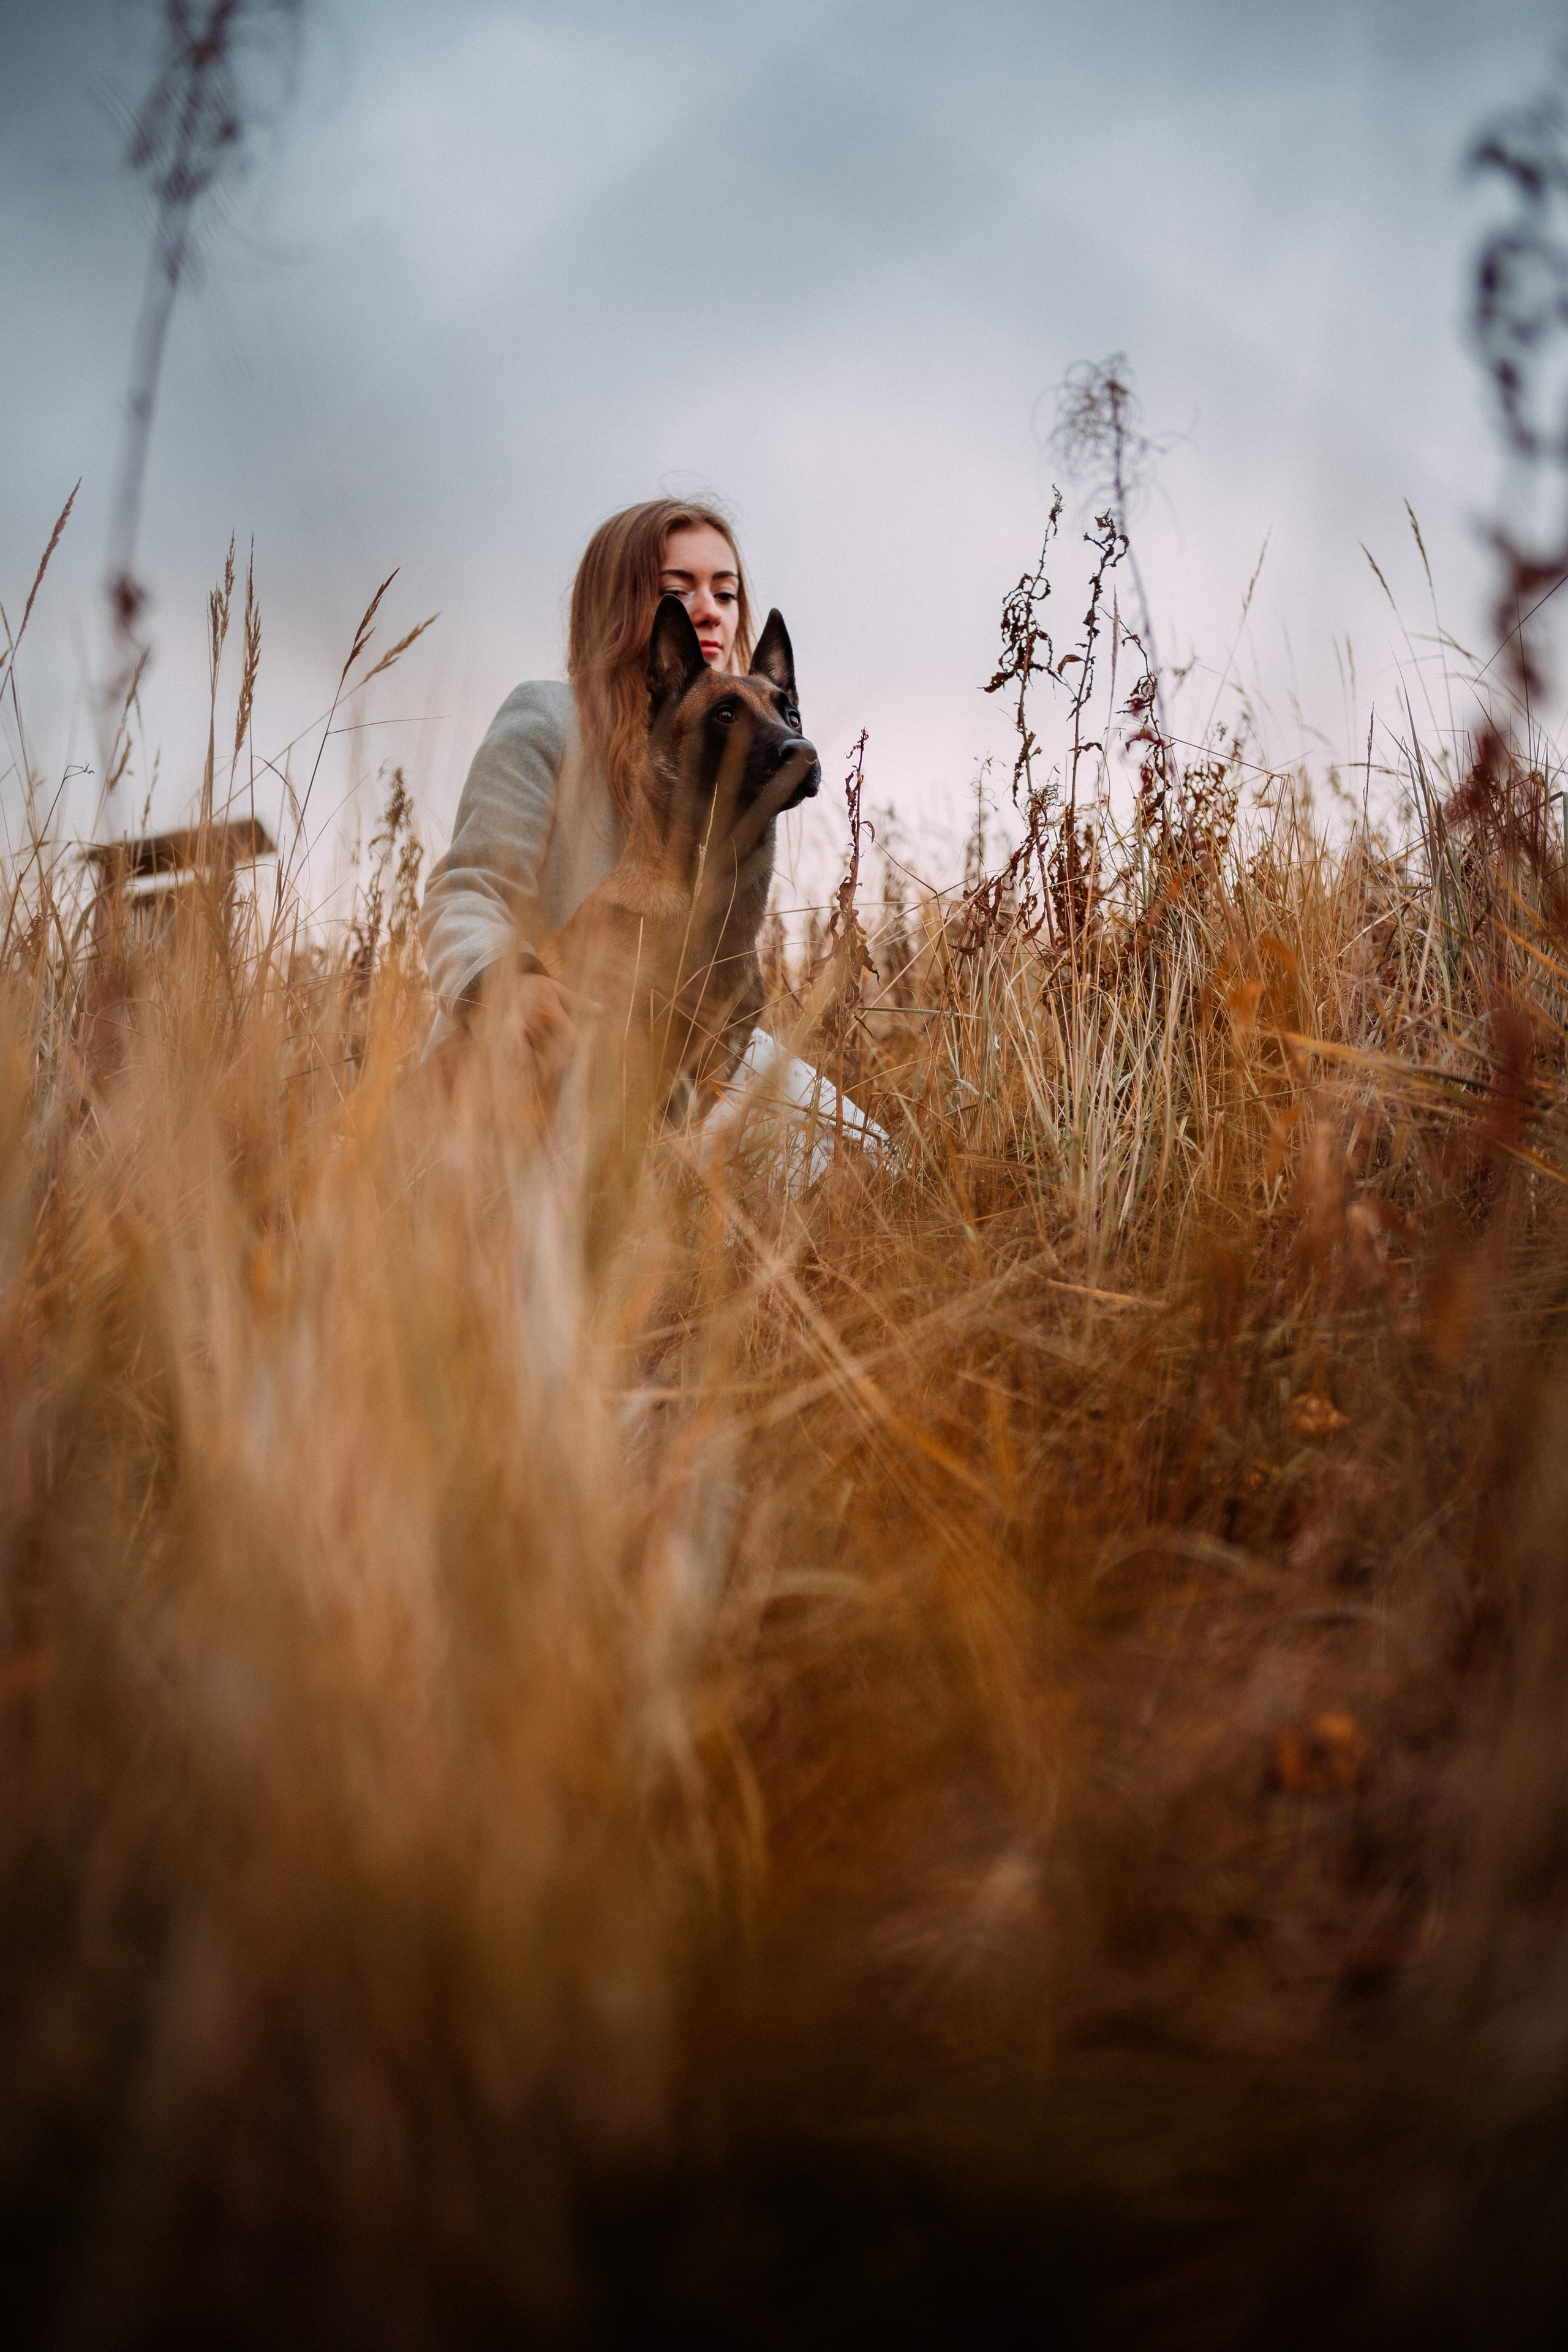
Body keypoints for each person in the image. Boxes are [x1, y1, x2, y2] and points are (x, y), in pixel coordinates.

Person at [419, 497, 884, 1188]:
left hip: (685, 1049)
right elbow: (468, 891)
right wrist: (509, 983)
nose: (709, 609)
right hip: (543, 1046)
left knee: (869, 1164)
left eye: (725, 592)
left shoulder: (730, 754)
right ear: (620, 604)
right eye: (679, 590)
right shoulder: (547, 717)